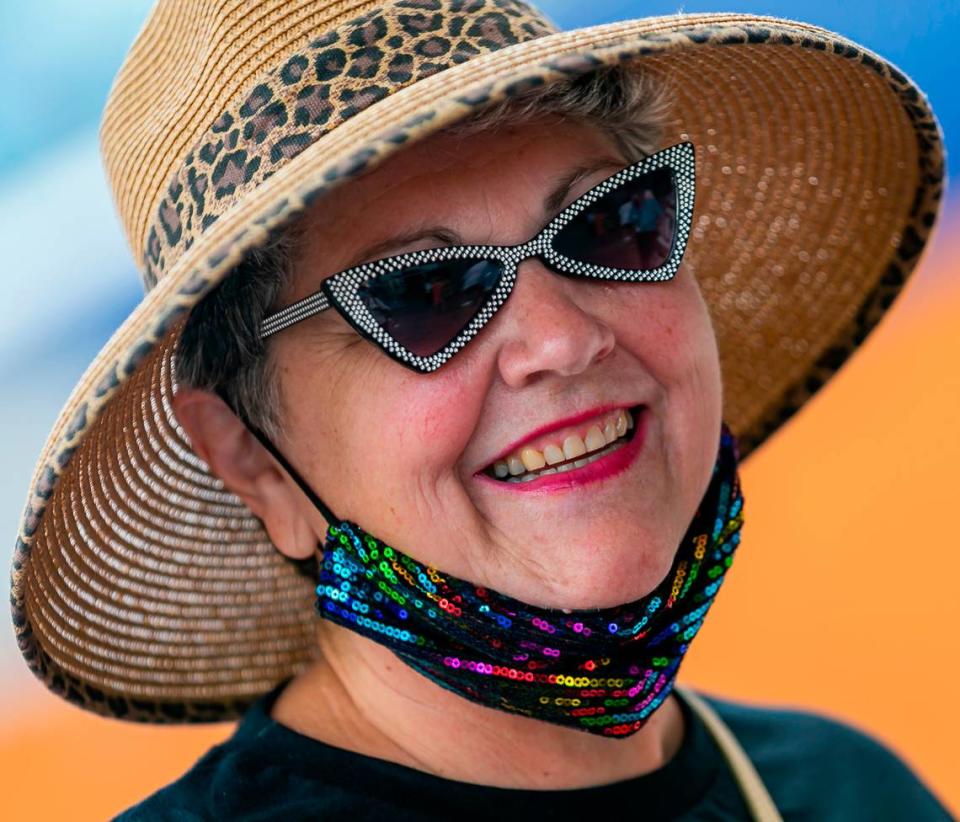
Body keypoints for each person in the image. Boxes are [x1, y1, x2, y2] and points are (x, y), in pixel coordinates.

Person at [9, 1, 952, 819]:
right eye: (425, 293)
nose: (562, 341)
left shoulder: (847, 794)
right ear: (252, 459)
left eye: (610, 224)